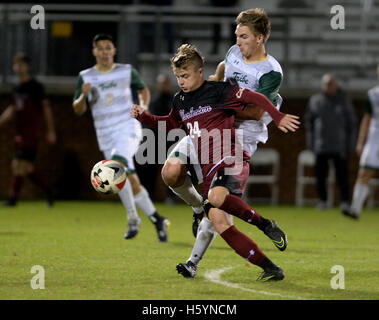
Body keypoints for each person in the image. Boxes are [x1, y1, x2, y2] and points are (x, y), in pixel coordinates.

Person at [131, 44, 300, 281]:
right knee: (219, 221)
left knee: (217, 200)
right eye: (178, 76)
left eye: (186, 75)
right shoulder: (180, 100)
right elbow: (170, 123)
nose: (181, 81)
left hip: (229, 157)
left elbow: (255, 97)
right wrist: (144, 117)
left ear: (200, 72)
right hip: (207, 166)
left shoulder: (219, 91)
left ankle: (264, 224)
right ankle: (271, 268)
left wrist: (277, 115)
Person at [168, 8, 285, 278]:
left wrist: (214, 105)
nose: (238, 41)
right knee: (171, 171)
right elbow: (222, 70)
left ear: (260, 38)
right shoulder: (233, 52)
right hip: (211, 124)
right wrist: (210, 89)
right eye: (237, 35)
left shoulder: (271, 72)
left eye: (244, 36)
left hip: (243, 134)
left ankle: (194, 262)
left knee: (218, 208)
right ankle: (199, 210)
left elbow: (256, 112)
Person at [72, 33, 169, 242]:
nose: (105, 52)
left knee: (116, 166)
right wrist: (82, 95)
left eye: (108, 47)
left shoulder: (126, 71)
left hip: (128, 127)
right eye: (101, 48)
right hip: (105, 134)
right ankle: (157, 219)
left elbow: (143, 90)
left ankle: (133, 217)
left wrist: (143, 107)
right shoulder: (86, 76)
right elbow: (78, 109)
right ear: (94, 52)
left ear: (114, 50)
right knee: (128, 179)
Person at [0, 52, 56, 207]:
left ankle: (13, 199)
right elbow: (12, 109)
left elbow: (46, 109)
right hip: (20, 132)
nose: (20, 67)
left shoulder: (35, 87)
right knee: (24, 167)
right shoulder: (17, 88)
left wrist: (51, 130)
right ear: (14, 67)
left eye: (23, 64)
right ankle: (48, 191)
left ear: (27, 67)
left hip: (31, 133)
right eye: (17, 64)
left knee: (19, 164)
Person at [304, 74, 357, 214]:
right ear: (323, 85)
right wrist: (310, 142)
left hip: (339, 145)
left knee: (342, 176)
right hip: (321, 145)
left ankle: (345, 202)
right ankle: (323, 201)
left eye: (331, 84)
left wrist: (351, 143)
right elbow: (309, 122)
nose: (329, 87)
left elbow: (352, 123)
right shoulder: (315, 101)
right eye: (327, 84)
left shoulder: (344, 100)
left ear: (336, 85)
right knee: (320, 175)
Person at [347, 65, 379, 219]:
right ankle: (355, 209)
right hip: (374, 138)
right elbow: (366, 119)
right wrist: (361, 142)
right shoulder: (373, 94)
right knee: (364, 173)